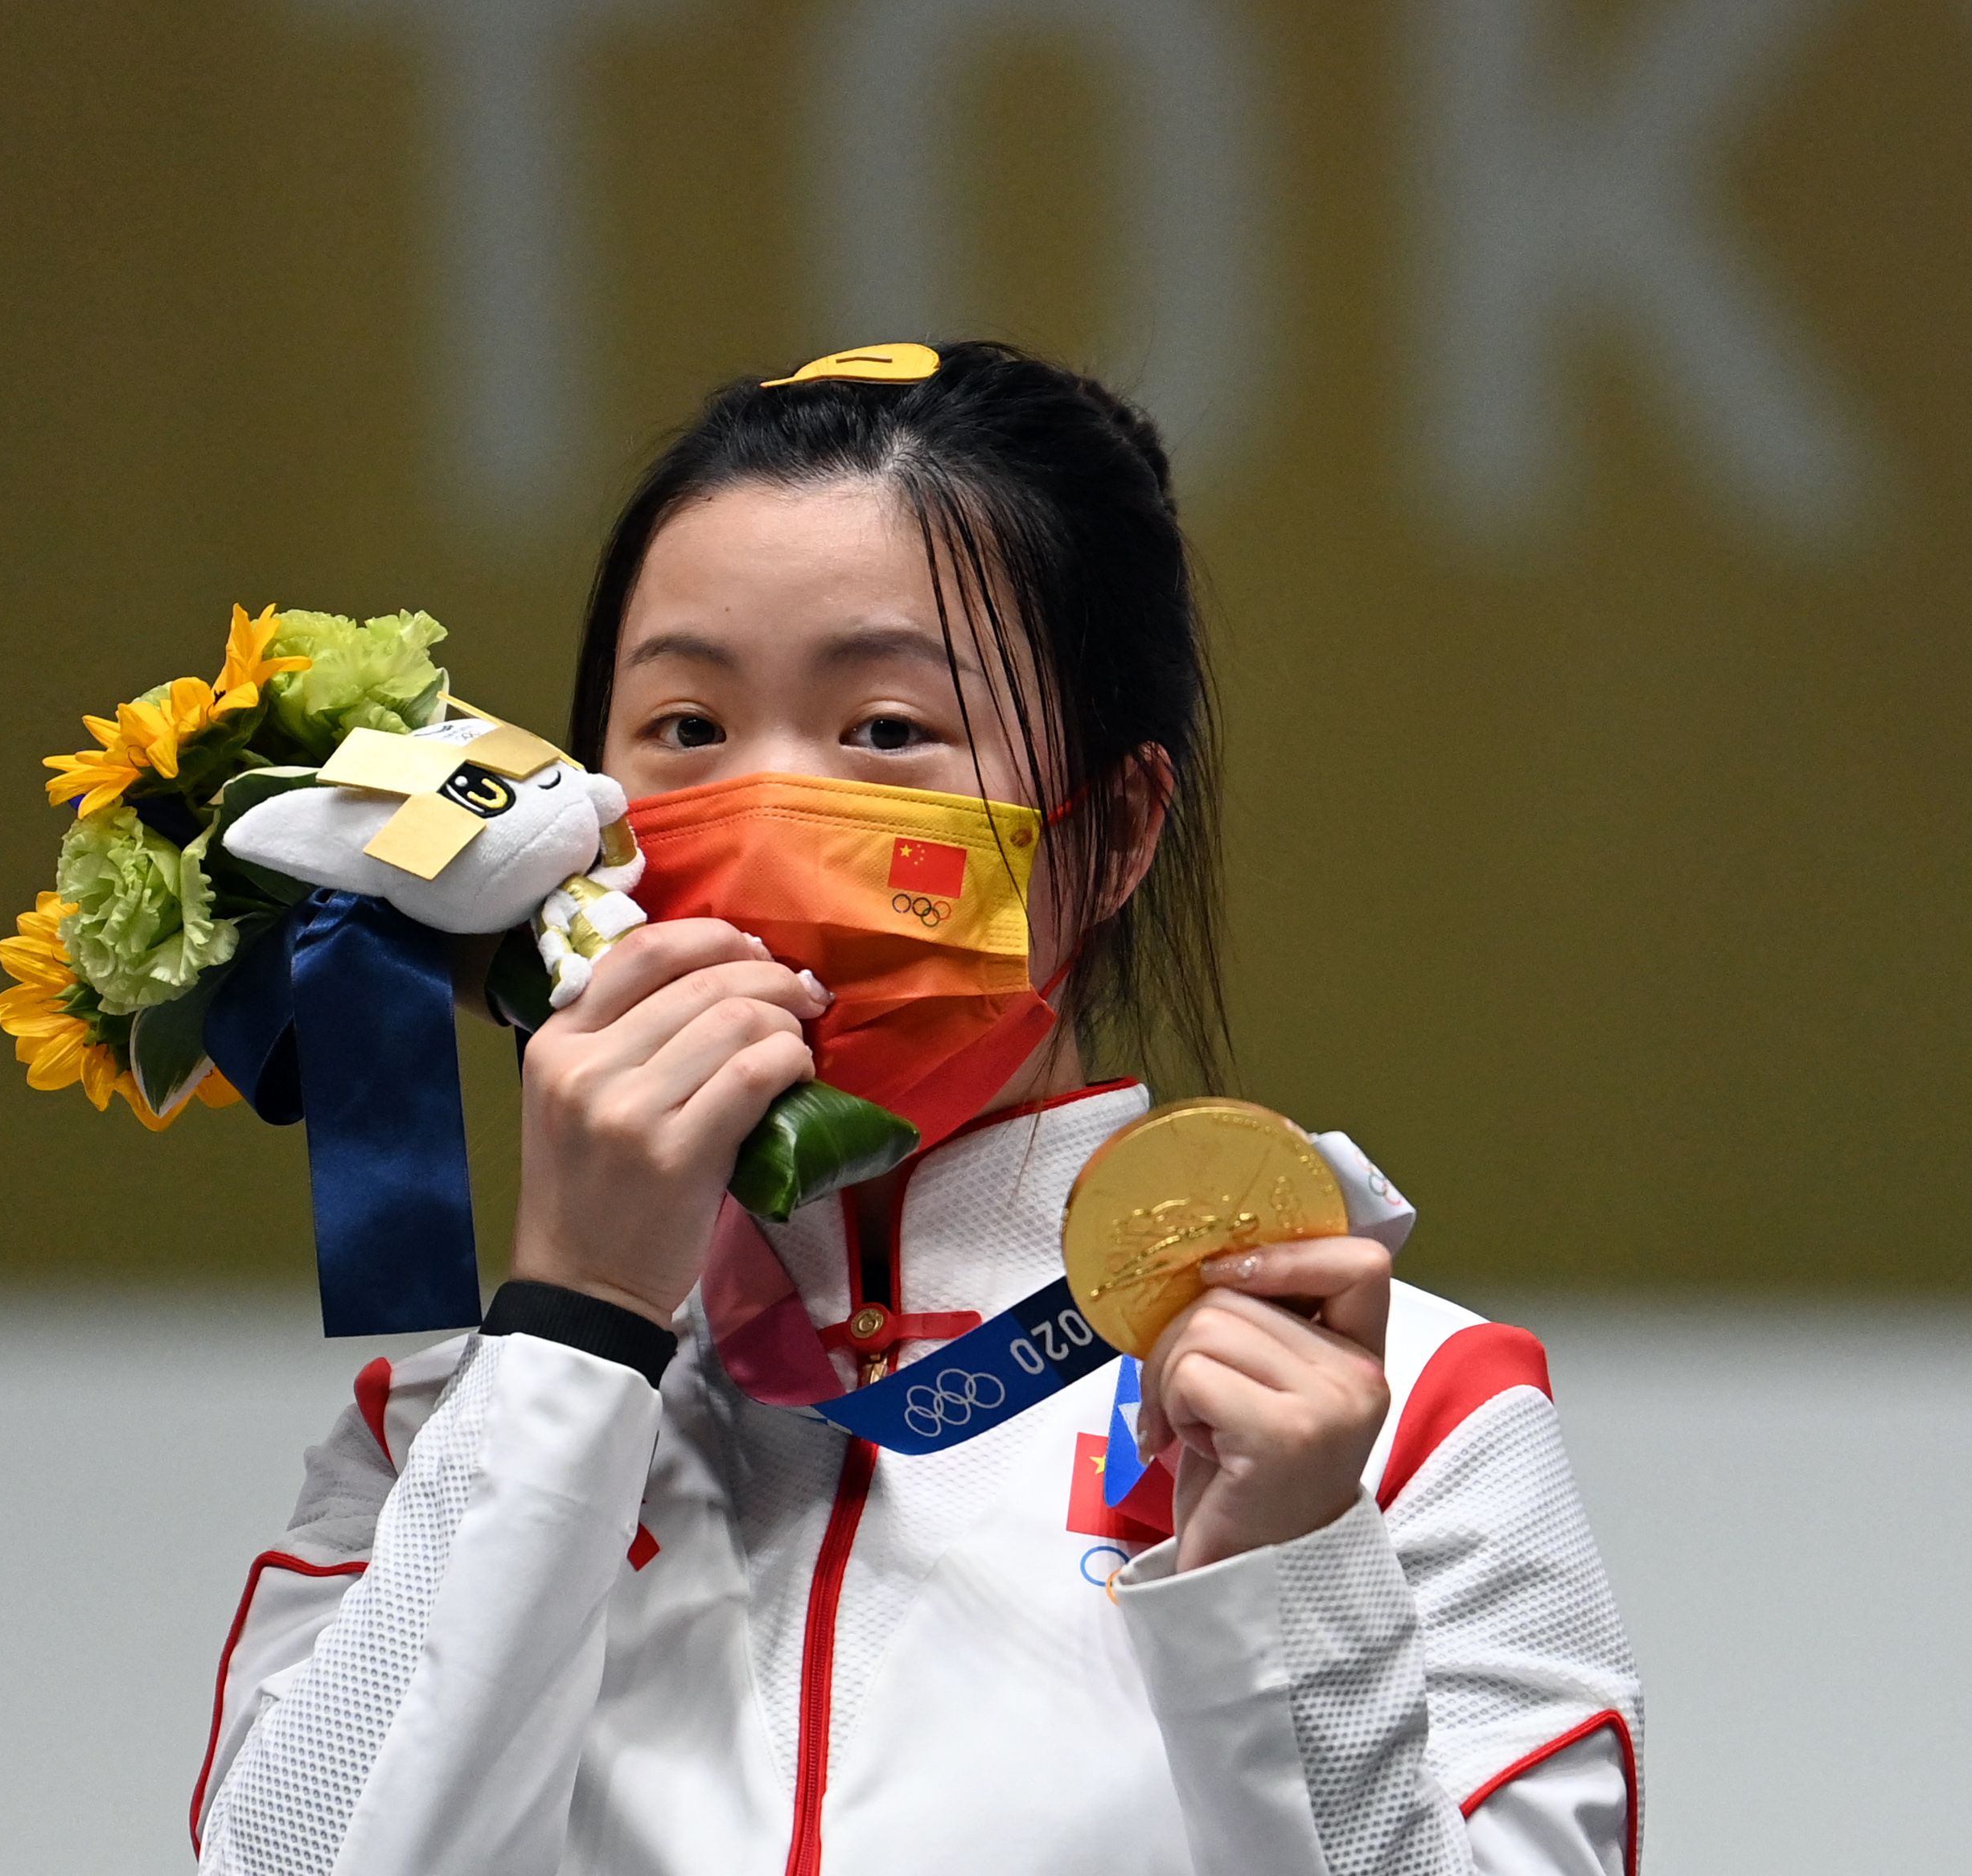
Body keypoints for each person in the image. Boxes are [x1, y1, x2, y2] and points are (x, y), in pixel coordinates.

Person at [191, 342, 1641, 1874]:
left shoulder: (1399, 1418)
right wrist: (579, 1330)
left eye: (884, 730)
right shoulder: (449, 1428)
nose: (760, 807)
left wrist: (1286, 1578)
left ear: (1120, 827)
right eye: (684, 729)